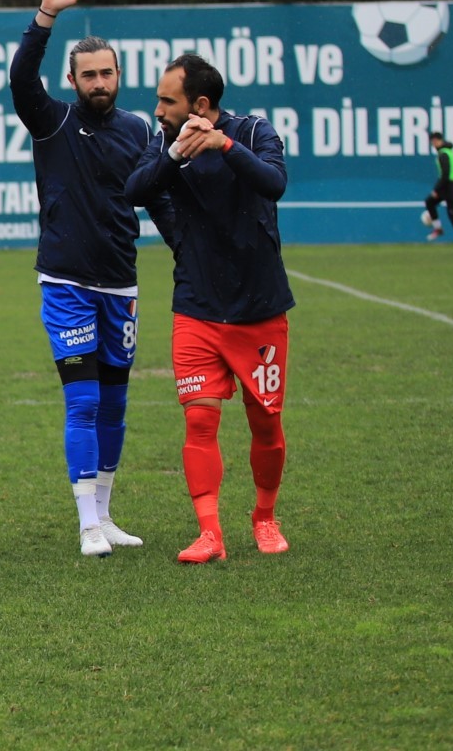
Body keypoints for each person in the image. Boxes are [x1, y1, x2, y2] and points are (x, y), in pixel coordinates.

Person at [11, 0, 152, 557]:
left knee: (117, 403)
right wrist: (45, 16)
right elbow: (21, 78)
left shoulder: (141, 130)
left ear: (119, 75)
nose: (98, 82)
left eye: (106, 73)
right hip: (66, 280)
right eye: (88, 74)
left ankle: (107, 514)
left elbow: (161, 197)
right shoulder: (52, 122)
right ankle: (85, 522)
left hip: (121, 283)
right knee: (85, 399)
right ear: (71, 80)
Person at [130, 53, 296, 563]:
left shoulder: (253, 133)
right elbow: (135, 191)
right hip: (197, 307)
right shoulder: (165, 142)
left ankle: (265, 518)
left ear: (200, 104)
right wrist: (175, 155)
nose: (157, 110)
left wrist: (223, 145)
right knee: (199, 423)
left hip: (259, 308)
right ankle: (210, 534)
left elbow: (275, 183)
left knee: (265, 424)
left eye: (166, 100)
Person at [422, 131, 453, 245]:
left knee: (452, 213)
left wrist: (436, 189)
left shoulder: (443, 154)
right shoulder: (449, 152)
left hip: (451, 187)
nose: (433, 144)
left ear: (438, 141)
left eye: (434, 141)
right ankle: (438, 229)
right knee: (429, 202)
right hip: (450, 186)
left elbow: (445, 174)